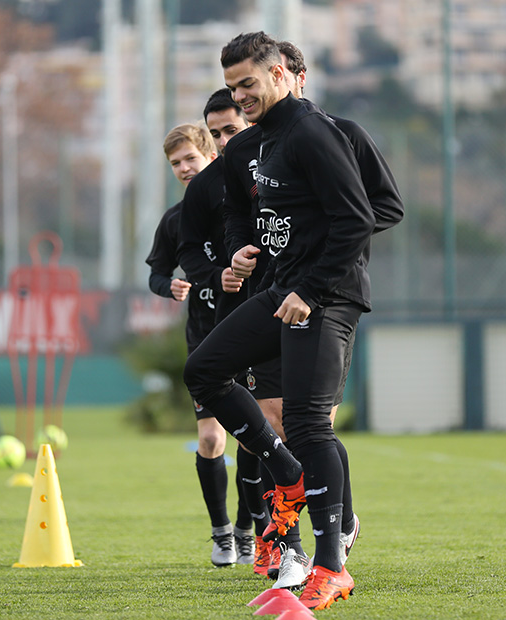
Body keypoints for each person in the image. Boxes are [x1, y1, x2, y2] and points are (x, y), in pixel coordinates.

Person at [184, 32, 380, 610]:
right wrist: (244, 250)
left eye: (248, 83)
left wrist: (311, 290)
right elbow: (248, 215)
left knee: (308, 422)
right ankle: (286, 474)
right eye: (233, 87)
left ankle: (331, 567)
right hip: (281, 290)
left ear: (279, 74)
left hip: (326, 297)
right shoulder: (262, 139)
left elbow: (359, 219)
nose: (240, 96)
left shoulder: (313, 132)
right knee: (204, 371)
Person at [178, 88, 286, 580]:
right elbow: (187, 250)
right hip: (236, 318)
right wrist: (216, 273)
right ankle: (256, 535)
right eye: (216, 133)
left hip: (291, 306)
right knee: (251, 428)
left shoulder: (283, 166)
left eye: (231, 130)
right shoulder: (207, 186)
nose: (224, 140)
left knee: (288, 428)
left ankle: (278, 531)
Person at [145, 122, 252, 567]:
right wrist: (167, 285)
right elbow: (156, 272)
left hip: (248, 339)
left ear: (211, 154)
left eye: (190, 158)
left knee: (253, 440)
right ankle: (221, 533)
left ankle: (248, 531)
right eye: (176, 163)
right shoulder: (176, 219)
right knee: (210, 438)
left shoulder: (243, 206)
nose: (184, 168)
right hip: (205, 341)